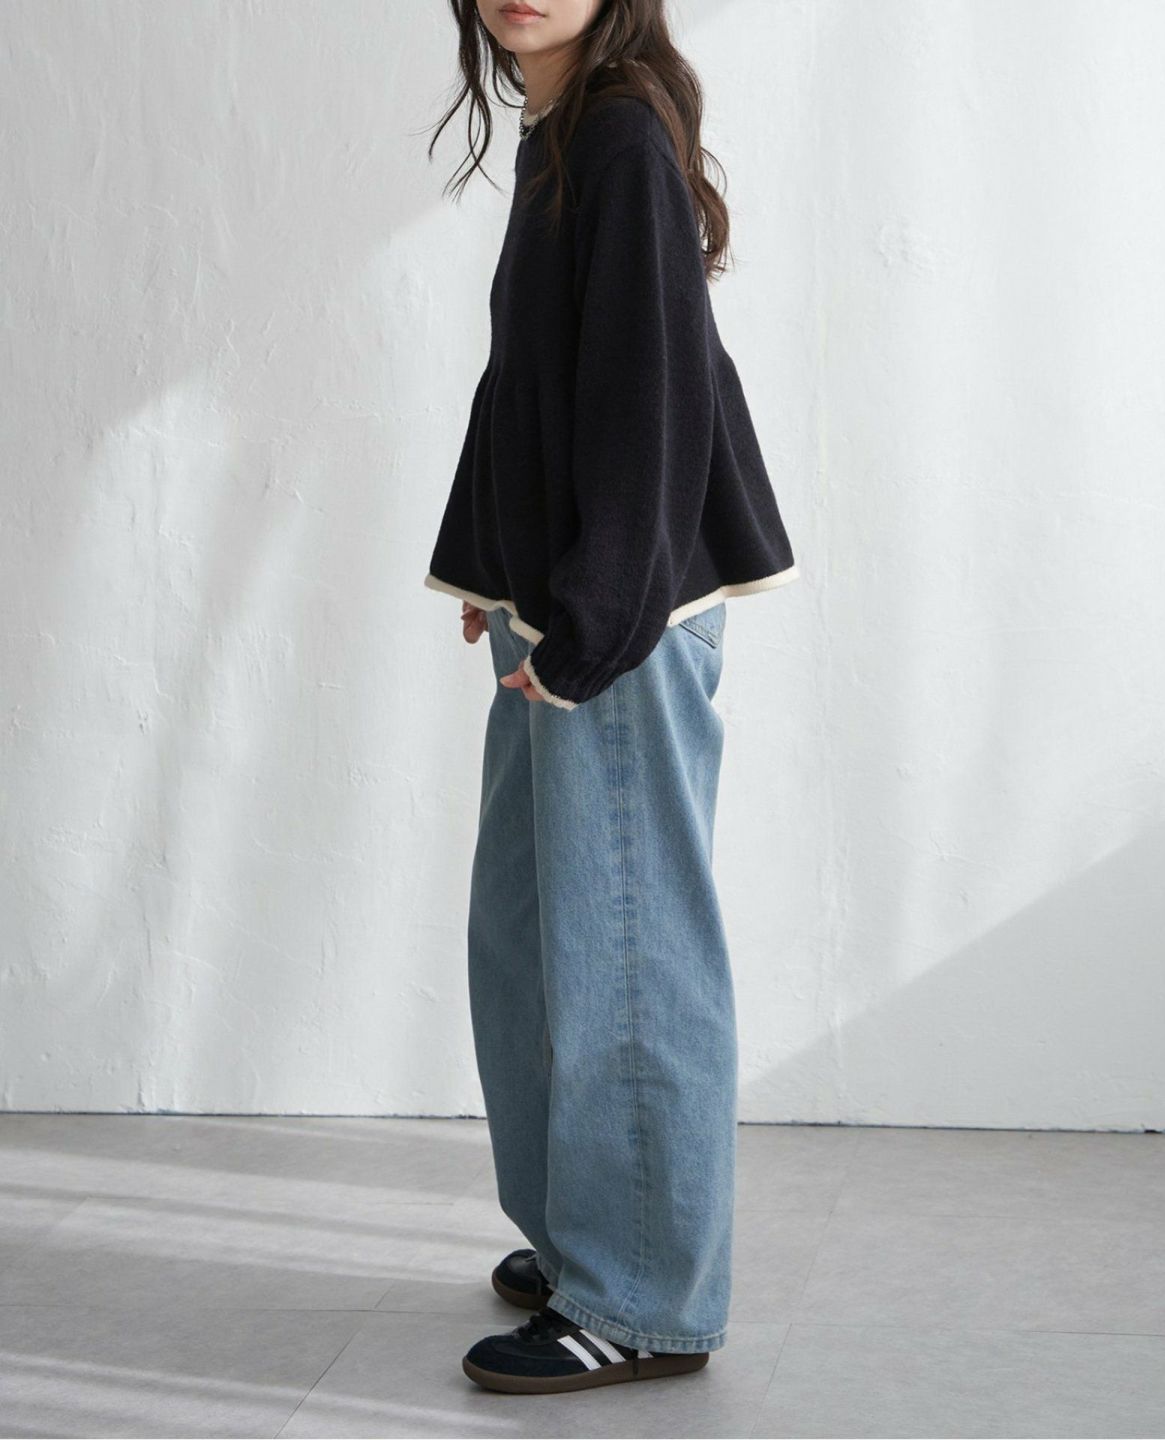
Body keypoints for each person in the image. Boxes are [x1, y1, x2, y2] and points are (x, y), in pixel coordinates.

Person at [424, 0, 798, 1395]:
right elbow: (534, 378)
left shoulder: (622, 135)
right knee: (531, 942)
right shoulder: (566, 126)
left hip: (617, 623)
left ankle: (639, 1296)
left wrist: (588, 623)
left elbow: (652, 397)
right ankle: (594, 1235)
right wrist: (497, 561)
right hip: (568, 600)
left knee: (627, 957)